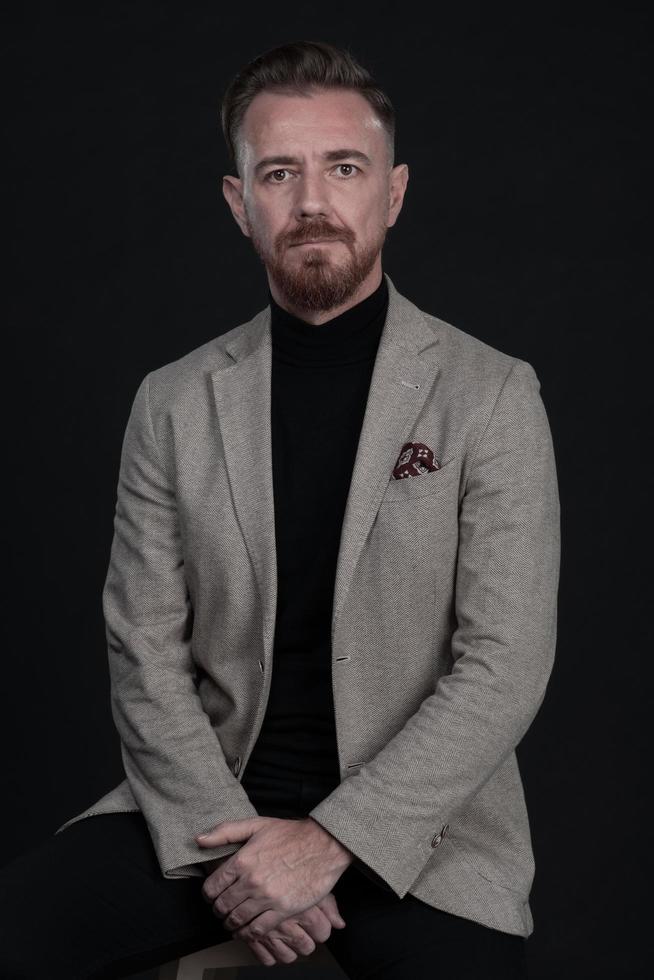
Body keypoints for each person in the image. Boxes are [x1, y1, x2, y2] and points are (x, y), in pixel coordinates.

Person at [0, 39, 560, 979]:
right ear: (239, 203)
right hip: (207, 803)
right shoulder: (172, 402)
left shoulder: (491, 394)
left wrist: (332, 840)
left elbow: (506, 663)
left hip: (422, 830)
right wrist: (235, 860)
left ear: (393, 192)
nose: (312, 202)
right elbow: (143, 647)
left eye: (345, 168)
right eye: (279, 173)